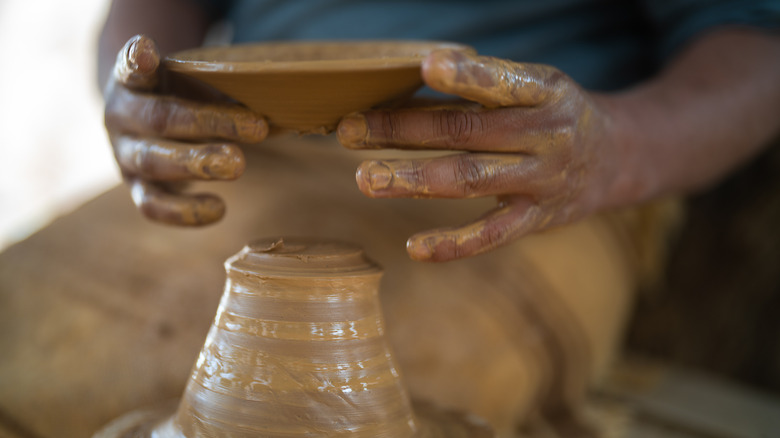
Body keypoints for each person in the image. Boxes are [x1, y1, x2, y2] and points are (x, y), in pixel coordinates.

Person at [98, 1, 780, 436]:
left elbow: (757, 40)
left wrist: (618, 147)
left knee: (387, 397)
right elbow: (151, 9)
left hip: (530, 177)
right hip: (242, 159)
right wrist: (134, 87)